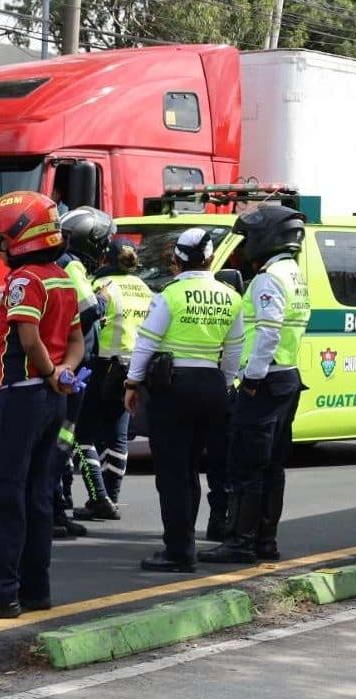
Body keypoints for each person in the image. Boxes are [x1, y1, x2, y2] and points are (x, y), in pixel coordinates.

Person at [0, 191, 84, 620]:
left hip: (20, 396)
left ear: (22, 238)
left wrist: (48, 371)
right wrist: (63, 373)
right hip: (52, 399)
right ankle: (34, 590)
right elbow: (77, 341)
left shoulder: (25, 280)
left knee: (2, 494)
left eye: (2, 237)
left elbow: (28, 339)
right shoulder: (62, 279)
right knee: (37, 495)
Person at [124, 228, 244, 572]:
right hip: (212, 386)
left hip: (173, 387)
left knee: (173, 473)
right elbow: (234, 351)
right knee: (193, 468)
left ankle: (179, 551)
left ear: (176, 260)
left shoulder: (171, 295)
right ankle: (187, 543)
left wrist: (132, 382)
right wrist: (222, 384)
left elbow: (147, 342)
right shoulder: (231, 297)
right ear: (210, 259)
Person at [200, 205, 310, 564]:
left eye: (249, 238)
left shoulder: (268, 278)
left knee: (246, 466)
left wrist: (251, 378)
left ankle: (240, 543)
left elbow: (267, 332)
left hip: (264, 381)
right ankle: (265, 541)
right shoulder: (294, 274)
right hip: (287, 378)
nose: (246, 246)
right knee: (273, 467)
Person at [73, 240, 154, 519]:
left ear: (105, 258)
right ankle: (112, 497)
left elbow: (86, 320)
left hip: (102, 365)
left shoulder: (100, 285)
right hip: (133, 369)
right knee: (118, 437)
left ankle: (98, 497)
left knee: (82, 435)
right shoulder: (143, 288)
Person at [52, 206, 107, 538]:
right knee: (63, 438)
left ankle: (60, 505)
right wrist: (101, 301)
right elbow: (87, 309)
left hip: (65, 365)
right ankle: (55, 510)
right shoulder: (71, 264)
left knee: (63, 438)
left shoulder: (59, 262)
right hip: (72, 368)